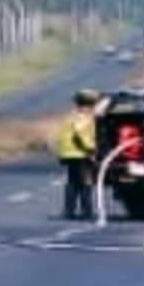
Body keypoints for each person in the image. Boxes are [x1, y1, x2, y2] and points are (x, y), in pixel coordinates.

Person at [56, 90, 98, 220]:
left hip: (68, 153)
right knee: (86, 182)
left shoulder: (71, 116)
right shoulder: (83, 117)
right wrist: (91, 150)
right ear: (90, 103)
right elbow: (80, 132)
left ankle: (69, 210)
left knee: (73, 182)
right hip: (80, 153)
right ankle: (87, 211)